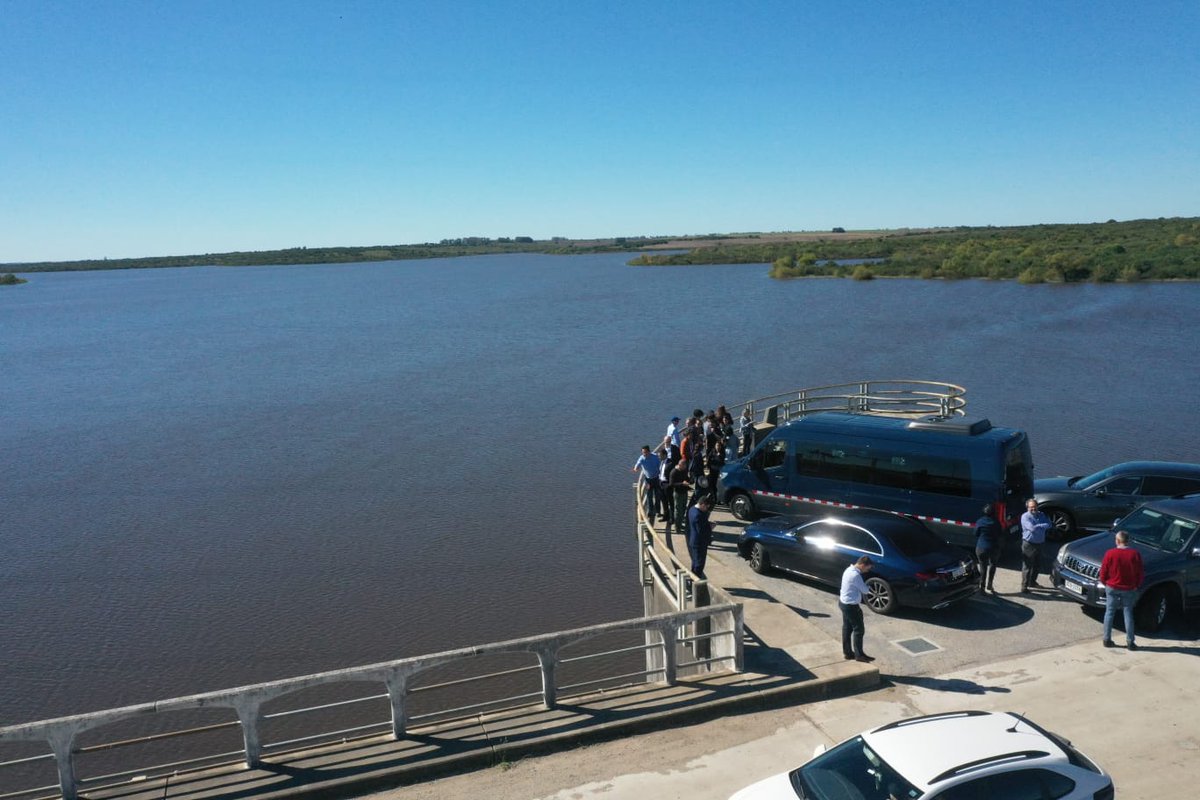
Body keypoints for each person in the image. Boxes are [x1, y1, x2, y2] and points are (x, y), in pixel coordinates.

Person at [1099, 530, 1145, 650]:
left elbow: (1103, 572)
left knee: (1109, 612)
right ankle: (1130, 642)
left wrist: (1106, 583)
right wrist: (1136, 585)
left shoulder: (1110, 553)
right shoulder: (1134, 554)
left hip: (1112, 587)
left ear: (1118, 541)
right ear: (1127, 541)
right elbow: (1140, 573)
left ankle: (1107, 639)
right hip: (1128, 588)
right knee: (1128, 613)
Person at [839, 556, 875, 663]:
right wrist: (869, 587)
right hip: (851, 606)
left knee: (847, 628)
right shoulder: (855, 575)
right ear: (863, 565)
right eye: (868, 568)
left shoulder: (848, 570)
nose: (867, 571)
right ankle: (859, 655)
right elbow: (865, 590)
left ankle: (848, 653)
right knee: (859, 630)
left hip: (843, 603)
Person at [1019, 498, 1051, 593]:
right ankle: (1024, 587)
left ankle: (1032, 582)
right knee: (1027, 566)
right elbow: (1031, 528)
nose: (1033, 509)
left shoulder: (1041, 514)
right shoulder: (1025, 517)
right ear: (1027, 508)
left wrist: (1038, 526)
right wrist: (1042, 526)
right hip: (1029, 544)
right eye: (1031, 507)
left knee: (1037, 565)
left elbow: (1049, 524)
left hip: (1040, 543)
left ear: (1037, 506)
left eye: (1035, 507)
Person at [630, 445, 662, 525]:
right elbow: (637, 465)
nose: (644, 454)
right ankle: (651, 512)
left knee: (657, 495)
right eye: (643, 452)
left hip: (656, 479)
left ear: (649, 451)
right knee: (649, 496)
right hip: (648, 480)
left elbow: (660, 466)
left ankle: (658, 511)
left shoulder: (655, 457)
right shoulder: (642, 458)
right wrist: (635, 469)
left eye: (645, 452)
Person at [973, 504, 1001, 593]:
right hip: (994, 547)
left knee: (983, 567)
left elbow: (975, 533)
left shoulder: (980, 521)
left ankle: (982, 587)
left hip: (981, 548)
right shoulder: (996, 522)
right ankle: (990, 584)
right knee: (993, 565)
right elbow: (1000, 533)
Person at [685, 495, 714, 579]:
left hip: (694, 540)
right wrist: (710, 527)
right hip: (699, 542)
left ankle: (693, 577)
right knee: (699, 563)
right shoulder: (697, 515)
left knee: (695, 561)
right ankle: (696, 580)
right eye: (706, 507)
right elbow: (701, 530)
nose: (706, 509)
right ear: (702, 505)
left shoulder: (692, 509)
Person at [668, 457, 692, 544]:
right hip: (678, 493)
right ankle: (677, 528)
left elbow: (686, 478)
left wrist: (689, 481)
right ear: (680, 465)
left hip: (684, 492)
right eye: (684, 466)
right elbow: (672, 484)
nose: (685, 468)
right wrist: (682, 483)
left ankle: (680, 523)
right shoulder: (674, 472)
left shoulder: (684, 470)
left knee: (683, 509)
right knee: (678, 510)